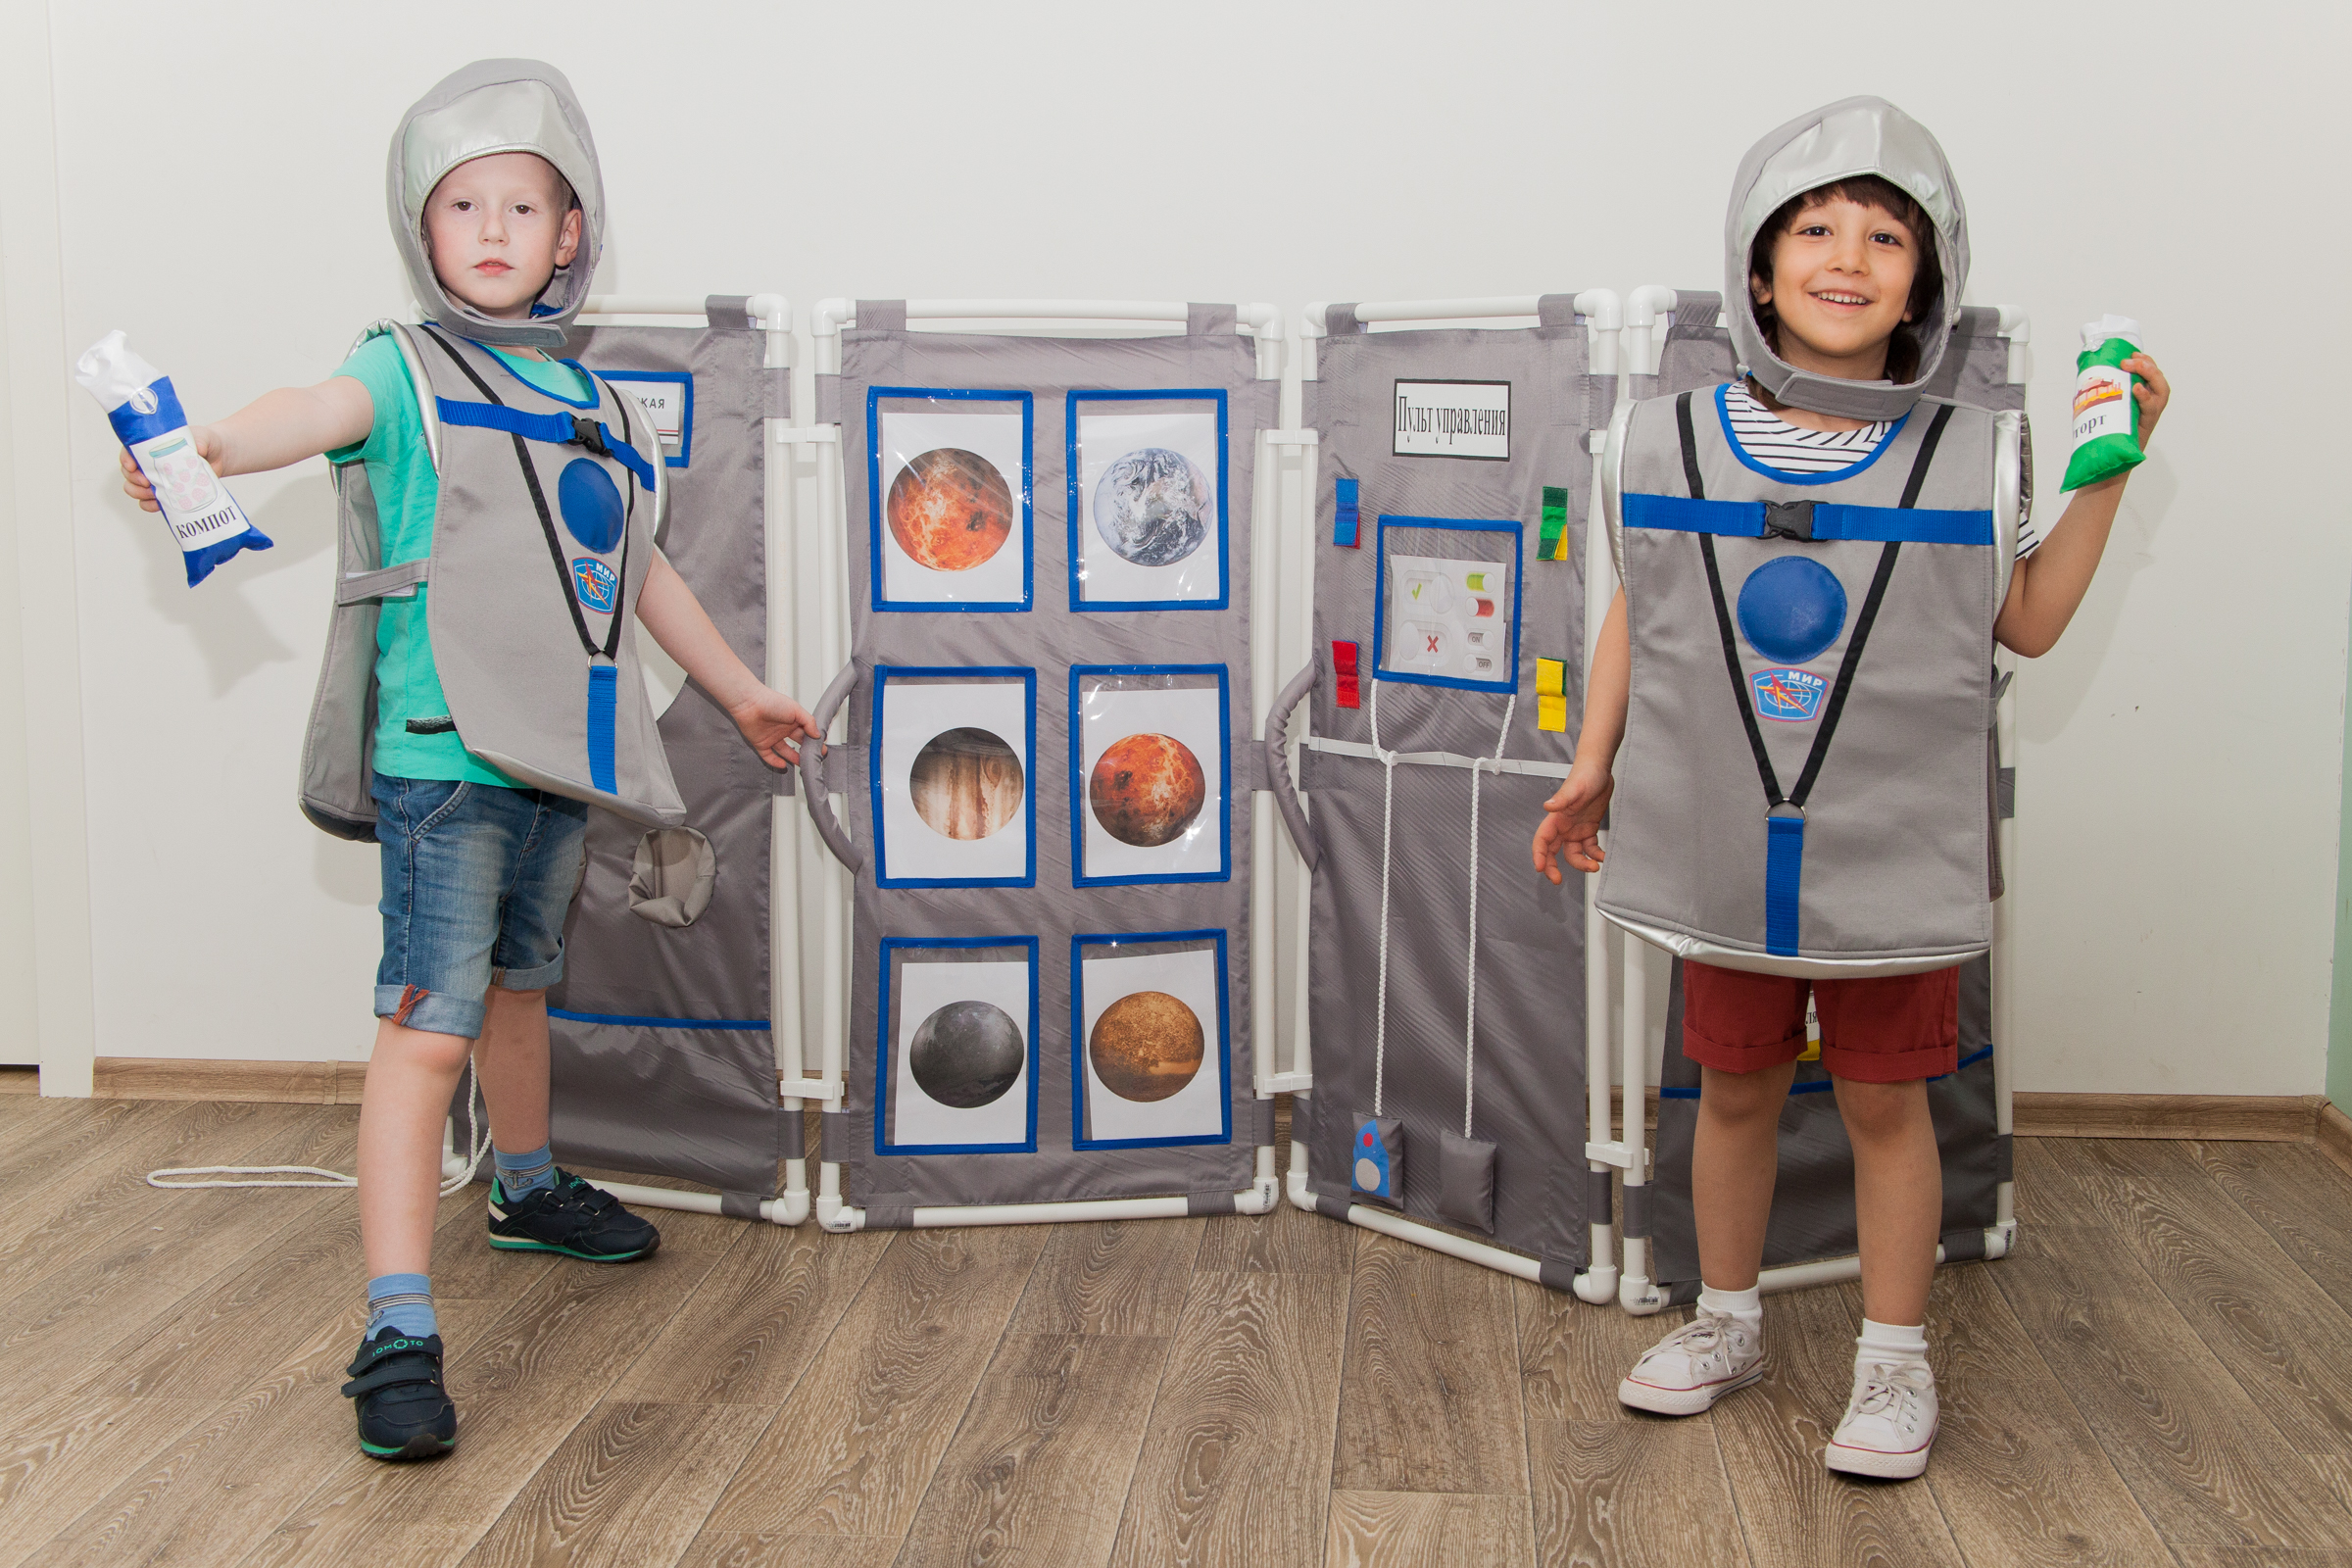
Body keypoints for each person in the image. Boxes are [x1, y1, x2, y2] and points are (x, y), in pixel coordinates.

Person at [116, 60, 821, 1462]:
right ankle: (396, 1323)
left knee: (521, 987)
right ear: (419, 228)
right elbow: (308, 408)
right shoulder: (402, 366)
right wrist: (213, 447)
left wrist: (742, 693)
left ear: (571, 233)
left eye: (523, 205)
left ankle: (528, 1185)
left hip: (553, 757)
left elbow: (642, 572)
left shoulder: (601, 404)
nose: (492, 228)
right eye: (461, 205)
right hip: (444, 758)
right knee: (428, 1024)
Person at [1533, 97, 2168, 1480]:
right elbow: (1644, 604)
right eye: (1814, 228)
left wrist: (2106, 478)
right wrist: (1592, 766)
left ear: (1924, 284)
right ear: (1757, 272)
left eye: (1886, 236)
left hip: (1889, 845)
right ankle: (1725, 1320)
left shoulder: (1975, 452)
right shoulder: (1663, 441)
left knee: (1887, 1105)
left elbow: (2027, 621)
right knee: (1732, 1090)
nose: (1847, 256)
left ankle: (1893, 1360)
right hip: (1722, 839)